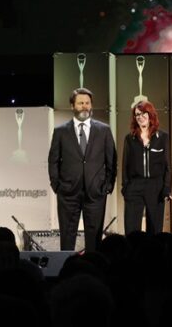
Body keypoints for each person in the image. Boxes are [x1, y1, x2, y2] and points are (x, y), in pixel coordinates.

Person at [48, 87, 117, 251]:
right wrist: (57, 185)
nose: (84, 106)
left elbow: (112, 161)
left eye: (87, 103)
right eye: (80, 103)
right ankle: (67, 266)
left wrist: (108, 185)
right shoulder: (60, 131)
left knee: (94, 239)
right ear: (72, 106)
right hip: (68, 193)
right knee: (67, 237)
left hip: (96, 192)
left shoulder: (104, 130)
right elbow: (53, 161)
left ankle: (94, 265)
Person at [121, 101, 172, 235]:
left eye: (144, 113)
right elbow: (125, 165)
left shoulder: (163, 137)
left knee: (155, 231)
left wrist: (166, 188)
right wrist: (125, 188)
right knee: (132, 231)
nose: (140, 117)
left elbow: (167, 165)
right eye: (137, 114)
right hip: (134, 186)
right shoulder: (129, 139)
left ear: (151, 115)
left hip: (156, 186)